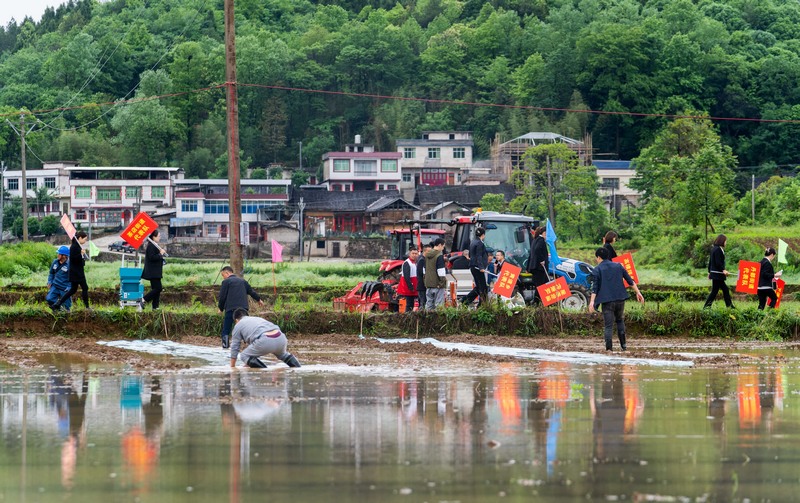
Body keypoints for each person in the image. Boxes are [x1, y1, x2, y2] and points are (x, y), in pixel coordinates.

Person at [589, 247, 644, 351]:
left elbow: (595, 288)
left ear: (599, 257)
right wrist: (638, 292)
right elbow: (630, 280)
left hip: (607, 301)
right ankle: (624, 346)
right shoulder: (618, 266)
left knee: (608, 325)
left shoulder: (597, 269)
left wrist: (592, 302)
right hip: (620, 299)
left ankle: (609, 349)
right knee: (619, 320)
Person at [230, 308, 301, 368]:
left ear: (236, 320)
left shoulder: (238, 325)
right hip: (280, 337)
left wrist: (232, 367)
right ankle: (299, 369)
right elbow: (254, 351)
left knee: (243, 355)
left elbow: (235, 347)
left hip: (265, 340)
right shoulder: (256, 319)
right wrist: (248, 364)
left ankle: (265, 371)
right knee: (283, 355)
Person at [218, 266, 264, 349]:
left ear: (227, 273)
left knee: (226, 329)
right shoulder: (243, 281)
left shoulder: (226, 282)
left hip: (231, 309)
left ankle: (225, 347)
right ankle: (251, 346)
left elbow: (222, 297)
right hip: (243, 309)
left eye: (223, 275)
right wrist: (259, 299)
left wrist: (220, 308)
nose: (223, 277)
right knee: (245, 327)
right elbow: (251, 292)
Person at [52, 231, 90, 312]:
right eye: (85, 239)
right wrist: (82, 254)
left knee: (73, 290)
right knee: (85, 288)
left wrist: (82, 255)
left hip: (76, 272)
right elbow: (76, 260)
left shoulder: (77, 246)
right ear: (80, 238)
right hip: (77, 273)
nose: (85, 241)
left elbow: (80, 261)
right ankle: (87, 307)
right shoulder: (74, 247)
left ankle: (57, 304)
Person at [703, 234, 734, 309]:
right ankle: (729, 306)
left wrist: (709, 272)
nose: (726, 243)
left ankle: (707, 306)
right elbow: (718, 262)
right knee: (723, 290)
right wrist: (723, 270)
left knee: (717, 291)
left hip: (715, 273)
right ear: (722, 241)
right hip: (717, 274)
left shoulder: (714, 248)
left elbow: (710, 262)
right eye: (725, 241)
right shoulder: (718, 249)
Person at [140, 229, 166, 310]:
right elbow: (152, 257)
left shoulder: (155, 245)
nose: (159, 238)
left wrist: (160, 255)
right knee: (158, 288)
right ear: (153, 237)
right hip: (153, 272)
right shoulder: (151, 246)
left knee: (156, 290)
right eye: (158, 236)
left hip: (156, 272)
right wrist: (160, 254)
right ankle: (143, 299)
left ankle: (155, 307)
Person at [462, 228, 489, 307]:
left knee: (479, 287)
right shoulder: (480, 243)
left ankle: (465, 301)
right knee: (483, 288)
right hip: (478, 267)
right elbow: (479, 255)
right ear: (483, 235)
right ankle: (483, 306)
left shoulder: (473, 242)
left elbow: (471, 254)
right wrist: (481, 267)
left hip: (473, 266)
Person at [47, 245, 73, 312]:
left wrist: (69, 287)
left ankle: (64, 312)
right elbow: (51, 273)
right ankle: (57, 309)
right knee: (49, 299)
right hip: (55, 286)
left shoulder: (70, 265)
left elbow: (72, 278)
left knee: (67, 307)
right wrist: (50, 281)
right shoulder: (55, 262)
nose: (57, 255)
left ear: (64, 256)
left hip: (64, 288)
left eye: (59, 253)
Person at [424, 238, 447, 309]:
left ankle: (427, 320)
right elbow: (441, 272)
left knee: (429, 306)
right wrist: (442, 284)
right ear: (440, 245)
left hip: (428, 284)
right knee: (439, 307)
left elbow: (424, 270)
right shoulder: (439, 256)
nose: (443, 249)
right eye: (443, 246)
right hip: (437, 285)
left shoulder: (427, 256)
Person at [527, 226, 550, 296]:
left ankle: (545, 302)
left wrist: (528, 267)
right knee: (541, 286)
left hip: (534, 267)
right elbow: (537, 250)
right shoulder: (541, 240)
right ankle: (536, 302)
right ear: (544, 233)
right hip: (540, 268)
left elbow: (531, 254)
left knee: (545, 284)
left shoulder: (535, 239)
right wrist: (542, 260)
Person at [396, 248, 419, 312]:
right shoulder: (407, 263)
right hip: (409, 287)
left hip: (415, 285)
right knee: (409, 304)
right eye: (413, 253)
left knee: (413, 303)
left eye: (416, 254)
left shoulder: (416, 262)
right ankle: (408, 316)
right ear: (409, 254)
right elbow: (406, 276)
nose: (414, 255)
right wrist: (410, 287)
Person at [416, 243, 430, 311]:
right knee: (423, 303)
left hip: (423, 285)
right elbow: (421, 273)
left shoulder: (423, 259)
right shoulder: (422, 260)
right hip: (422, 286)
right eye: (429, 251)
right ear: (425, 251)